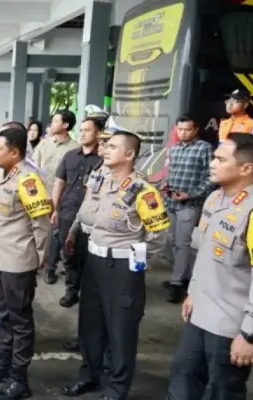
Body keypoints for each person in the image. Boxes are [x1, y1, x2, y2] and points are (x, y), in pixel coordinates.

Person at [167, 133, 253, 400]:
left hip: (231, 326)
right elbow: (205, 254)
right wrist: (193, 291)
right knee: (182, 380)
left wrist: (251, 334)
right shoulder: (214, 199)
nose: (212, 163)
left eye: (221, 159)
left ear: (246, 168)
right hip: (200, 315)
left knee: (223, 392)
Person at [61, 131, 170, 400]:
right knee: (90, 325)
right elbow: (86, 211)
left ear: (130, 155)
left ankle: (118, 387)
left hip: (122, 267)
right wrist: (74, 232)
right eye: (105, 146)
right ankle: (89, 376)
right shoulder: (99, 178)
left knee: (121, 329)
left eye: (112, 146)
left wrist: (136, 264)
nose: (105, 149)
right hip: (94, 261)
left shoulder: (143, 192)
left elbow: (159, 237)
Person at [0, 126, 51, 400]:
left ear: (15, 153)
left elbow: (41, 223)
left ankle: (20, 380)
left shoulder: (28, 180)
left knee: (19, 321)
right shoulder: (4, 175)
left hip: (18, 260)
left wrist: (39, 256)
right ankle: (2, 365)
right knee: (3, 315)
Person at [50, 116, 103, 307]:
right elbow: (59, 182)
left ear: (98, 133)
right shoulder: (70, 156)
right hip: (67, 211)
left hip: (93, 216)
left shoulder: (104, 159)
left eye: (87, 130)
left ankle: (89, 293)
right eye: (80, 130)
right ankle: (71, 290)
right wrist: (54, 208)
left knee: (90, 256)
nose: (82, 133)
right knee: (69, 253)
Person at [162, 115, 215, 303]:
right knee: (174, 241)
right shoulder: (174, 149)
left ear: (196, 130)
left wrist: (191, 194)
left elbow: (212, 177)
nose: (183, 133)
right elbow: (171, 173)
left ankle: (177, 283)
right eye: (180, 129)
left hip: (189, 204)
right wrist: (165, 187)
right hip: (171, 203)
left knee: (183, 243)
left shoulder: (204, 149)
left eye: (187, 129)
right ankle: (184, 277)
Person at [36, 110, 79, 284]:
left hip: (62, 197)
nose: (51, 124)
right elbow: (33, 167)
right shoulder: (44, 144)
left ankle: (51, 267)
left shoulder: (75, 149)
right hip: (40, 195)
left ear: (66, 125)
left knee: (56, 233)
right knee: (39, 231)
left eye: (55, 121)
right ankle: (37, 262)